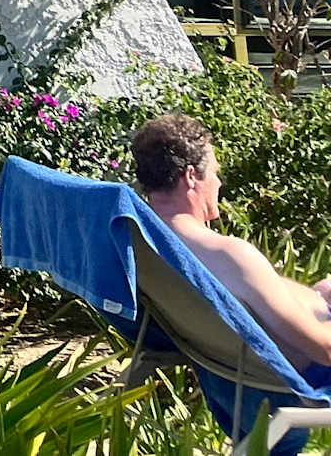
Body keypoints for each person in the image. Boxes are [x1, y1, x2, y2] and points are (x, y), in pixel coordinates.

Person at [135, 112, 331, 369]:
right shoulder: (230, 255)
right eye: (214, 173)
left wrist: (316, 296)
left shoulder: (142, 247)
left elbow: (251, 291)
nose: (218, 182)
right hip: (308, 375)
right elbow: (325, 350)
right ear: (191, 176)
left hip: (229, 368)